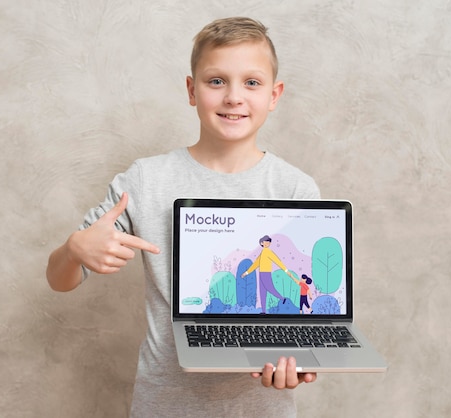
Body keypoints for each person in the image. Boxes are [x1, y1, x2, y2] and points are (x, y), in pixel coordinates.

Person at [46, 16, 320, 417]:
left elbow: (303, 322)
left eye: (252, 82)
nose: (233, 97)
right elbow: (58, 279)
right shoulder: (145, 180)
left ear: (274, 95)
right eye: (216, 81)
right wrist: (74, 250)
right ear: (192, 90)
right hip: (164, 405)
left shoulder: (296, 190)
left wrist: (301, 362)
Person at [241, 234, 295, 313]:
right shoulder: (262, 252)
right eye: (265, 242)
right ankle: (263, 311)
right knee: (262, 293)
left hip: (266, 274)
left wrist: (286, 270)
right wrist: (246, 273)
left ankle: (282, 298)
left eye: (268, 242)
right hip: (261, 274)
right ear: (261, 243)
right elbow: (256, 264)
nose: (267, 243)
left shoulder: (268, 252)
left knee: (270, 288)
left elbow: (277, 261)